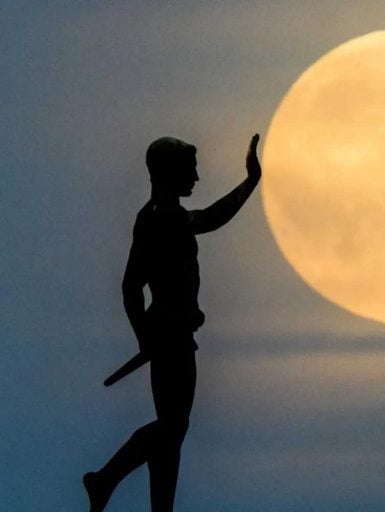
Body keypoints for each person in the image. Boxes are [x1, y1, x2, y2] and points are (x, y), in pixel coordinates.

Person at [83, 134, 262, 511]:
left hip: (173, 335)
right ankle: (105, 479)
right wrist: (145, 336)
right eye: (189, 170)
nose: (196, 177)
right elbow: (132, 284)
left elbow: (207, 219)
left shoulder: (161, 217)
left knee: (172, 431)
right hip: (171, 337)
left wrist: (250, 182)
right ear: (168, 174)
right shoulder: (161, 219)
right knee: (173, 427)